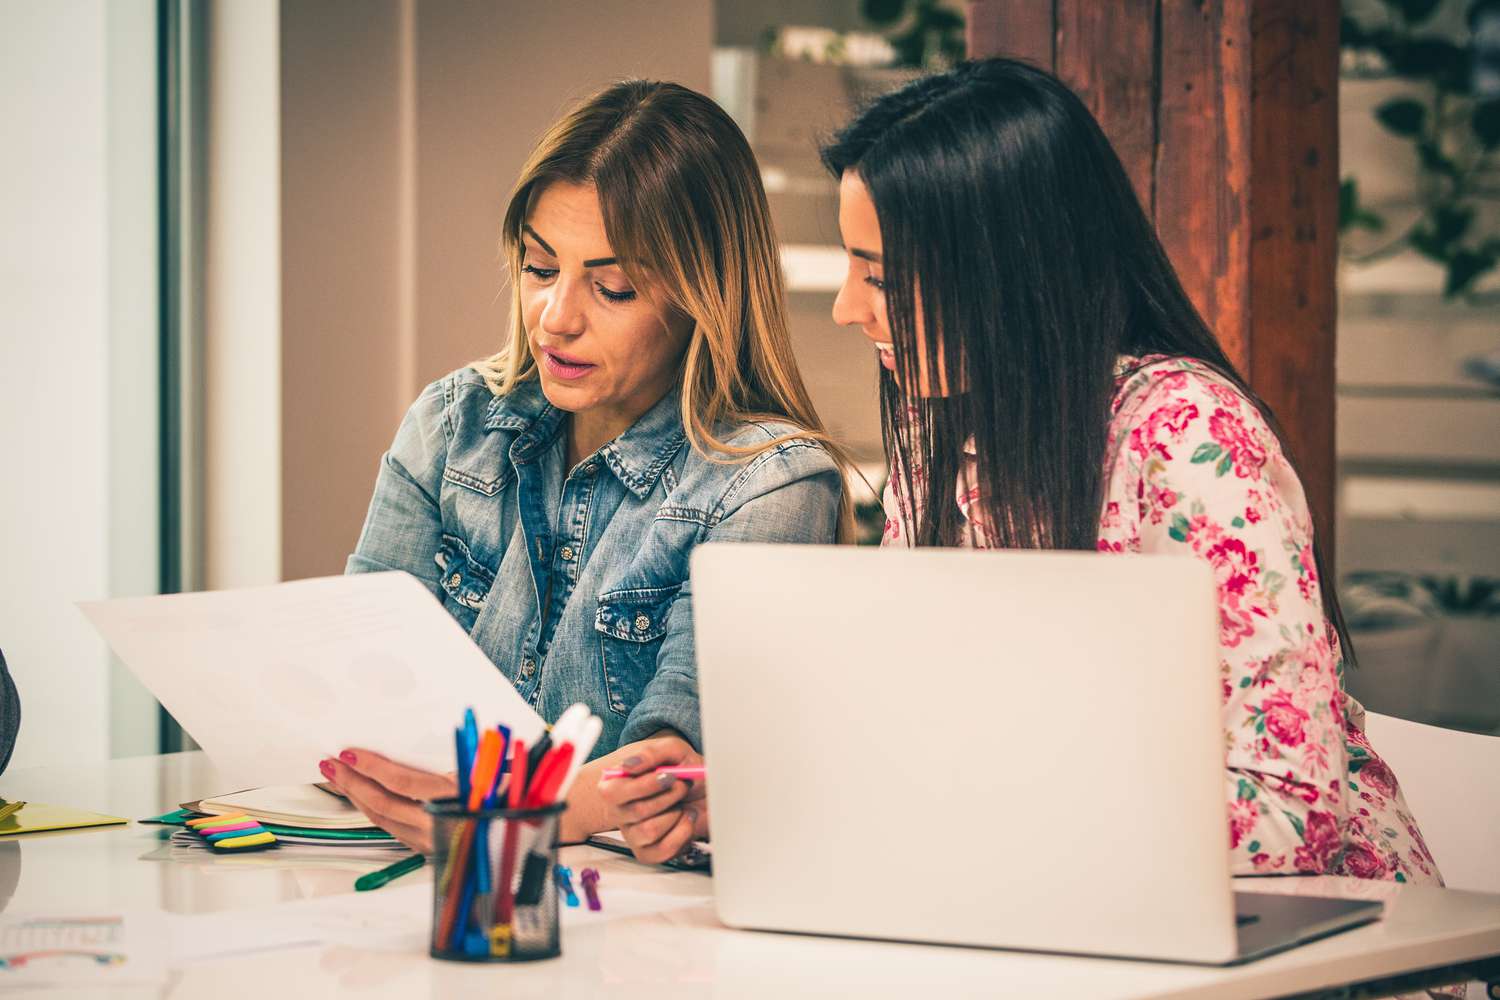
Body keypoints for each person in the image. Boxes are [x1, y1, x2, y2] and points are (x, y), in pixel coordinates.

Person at [819, 58, 1441, 886]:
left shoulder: (1189, 437)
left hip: (1312, 928)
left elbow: (1289, 810)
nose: (846, 308)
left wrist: (983, 817)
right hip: (1063, 895)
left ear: (1012, 273)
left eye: (884, 278)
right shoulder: (944, 426)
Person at [321, 79, 848, 858]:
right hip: (400, 866)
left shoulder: (770, 483)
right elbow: (355, 669)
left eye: (613, 287)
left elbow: (677, 764)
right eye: (539, 268)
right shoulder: (450, 422)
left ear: (707, 296)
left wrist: (507, 810)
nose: (556, 317)